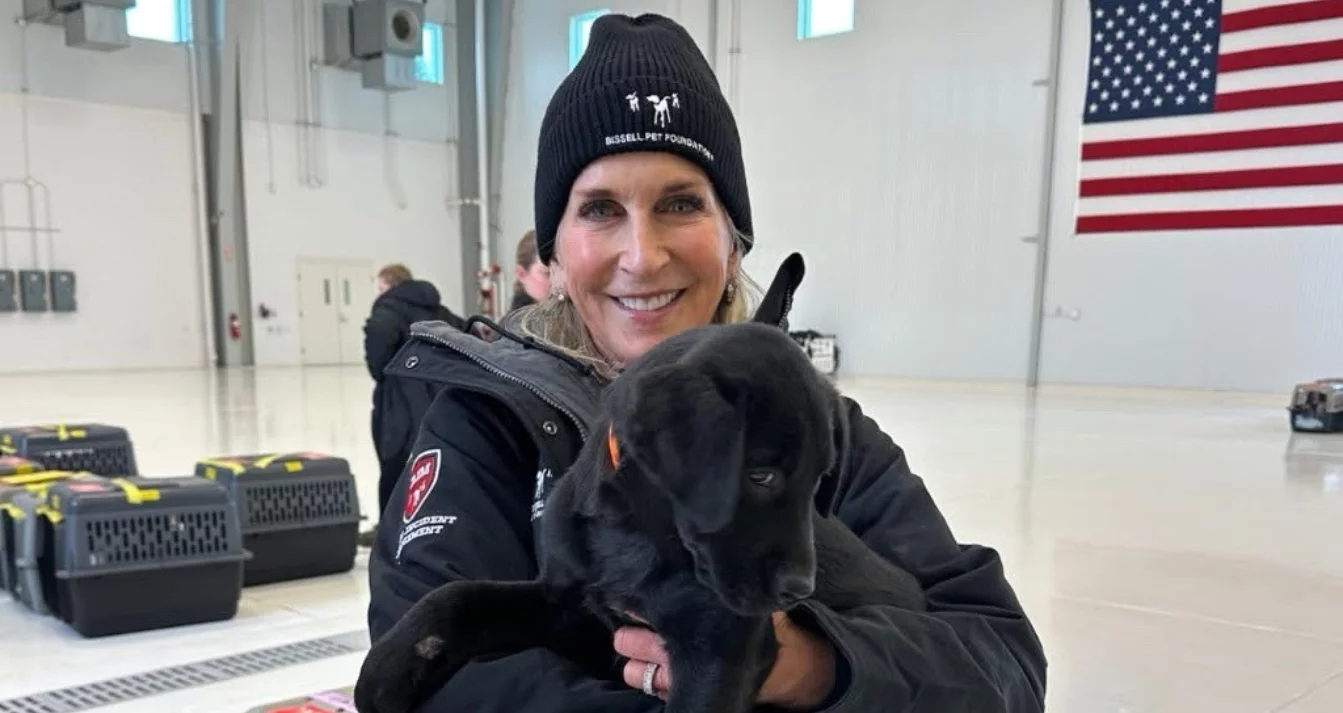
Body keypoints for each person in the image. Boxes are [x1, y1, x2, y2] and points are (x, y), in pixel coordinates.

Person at [365, 13, 1046, 713]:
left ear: (733, 243)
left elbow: (1004, 670)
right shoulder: (486, 424)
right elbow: (430, 686)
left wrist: (818, 667)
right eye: (599, 209)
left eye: (681, 203)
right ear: (554, 256)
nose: (642, 255)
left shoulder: (812, 426)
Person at [362, 264, 466, 545]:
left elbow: (377, 362)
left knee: (394, 470)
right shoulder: (438, 310)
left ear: (389, 285)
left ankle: (389, 535)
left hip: (398, 407)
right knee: (437, 468)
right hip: (441, 401)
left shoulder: (387, 312)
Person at [510, 230, 551, 312]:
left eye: (561, 271)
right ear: (521, 274)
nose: (560, 280)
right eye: (547, 273)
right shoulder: (512, 324)